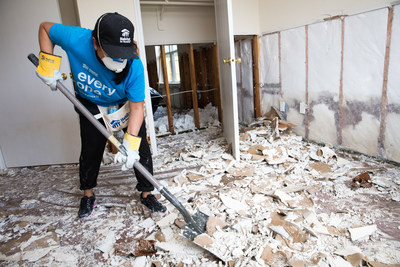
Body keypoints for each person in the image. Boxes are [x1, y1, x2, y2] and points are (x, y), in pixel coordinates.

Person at [35, 12, 166, 219]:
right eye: (112, 52)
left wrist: (130, 144)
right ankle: (88, 194)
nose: (119, 59)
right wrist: (48, 64)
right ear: (95, 43)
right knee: (91, 148)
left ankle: (147, 192)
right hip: (90, 101)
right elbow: (45, 28)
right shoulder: (76, 39)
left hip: (122, 102)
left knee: (140, 148)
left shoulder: (135, 66)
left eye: (122, 53)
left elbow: (137, 108)